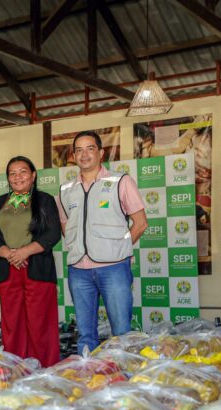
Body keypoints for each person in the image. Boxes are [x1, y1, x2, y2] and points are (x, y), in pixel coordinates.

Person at [58, 131, 148, 354]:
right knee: (86, 333)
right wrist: (79, 247)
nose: (84, 154)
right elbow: (65, 226)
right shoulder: (65, 190)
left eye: (90, 148)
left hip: (114, 268)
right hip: (79, 270)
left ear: (101, 152)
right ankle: (89, 379)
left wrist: (120, 248)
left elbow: (140, 223)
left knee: (121, 332)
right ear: (73, 155)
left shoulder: (120, 181)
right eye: (78, 150)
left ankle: (124, 380)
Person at [0, 156, 61, 366]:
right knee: (12, 325)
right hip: (8, 269)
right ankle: (16, 369)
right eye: (12, 173)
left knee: (40, 323)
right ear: (8, 178)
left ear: (33, 175)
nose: (18, 177)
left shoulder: (44, 200)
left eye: (23, 171)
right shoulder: (0, 202)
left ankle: (44, 370)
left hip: (37, 268)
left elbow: (53, 233)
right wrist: (9, 254)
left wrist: (25, 252)